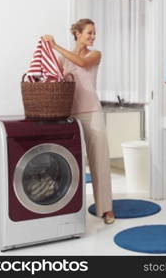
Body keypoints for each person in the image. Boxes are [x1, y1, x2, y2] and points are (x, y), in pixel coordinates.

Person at [43, 19, 115, 224]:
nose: (92, 37)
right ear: (77, 33)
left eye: (94, 33)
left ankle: (107, 209)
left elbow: (82, 63)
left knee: (99, 161)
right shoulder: (63, 59)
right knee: (70, 162)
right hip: (70, 116)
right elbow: (52, 77)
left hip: (92, 112)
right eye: (89, 33)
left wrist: (55, 45)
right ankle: (68, 209)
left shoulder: (95, 54)